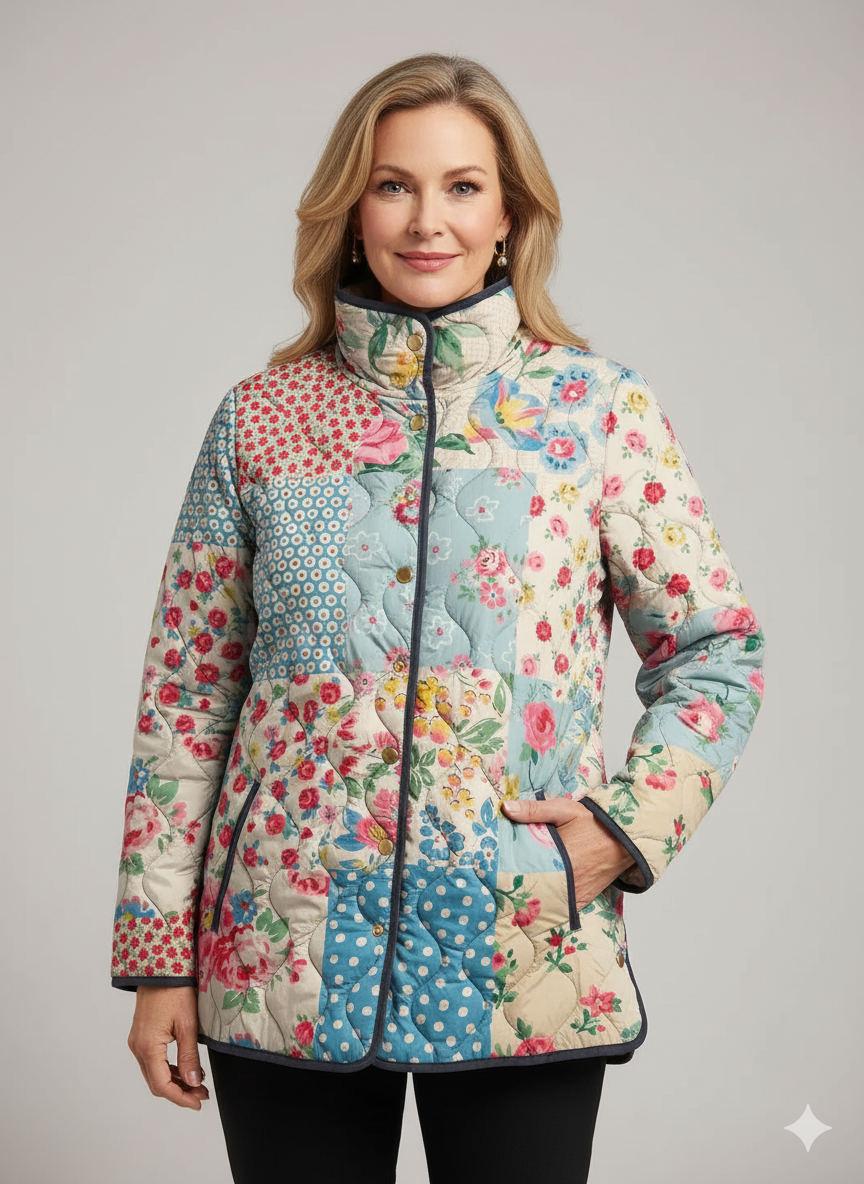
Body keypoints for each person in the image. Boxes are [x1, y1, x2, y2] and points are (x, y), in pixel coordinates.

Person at [111, 52, 766, 1184]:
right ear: (350, 209)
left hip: (521, 936)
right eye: (393, 185)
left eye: (463, 186)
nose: (428, 220)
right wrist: (159, 957)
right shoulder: (260, 418)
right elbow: (188, 696)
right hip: (282, 942)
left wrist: (622, 829)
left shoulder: (596, 410)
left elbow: (716, 652)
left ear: (509, 215)